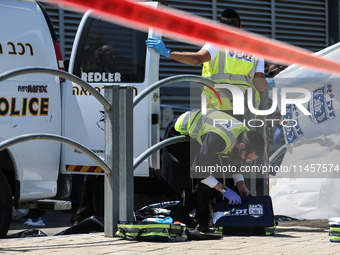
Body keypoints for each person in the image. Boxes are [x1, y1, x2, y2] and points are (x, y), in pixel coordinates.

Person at [146, 8, 268, 116]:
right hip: (245, 108)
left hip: (218, 107)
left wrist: (167, 52)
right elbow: (261, 86)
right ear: (240, 27)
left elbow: (197, 59)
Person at [164, 109, 265, 232]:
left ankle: (182, 213)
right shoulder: (220, 138)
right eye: (248, 158)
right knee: (209, 180)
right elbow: (199, 170)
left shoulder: (245, 136)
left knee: (219, 181)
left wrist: (241, 185)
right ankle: (199, 221)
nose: (248, 161)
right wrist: (223, 189)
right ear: (241, 146)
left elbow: (234, 163)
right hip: (181, 133)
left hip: (206, 136)